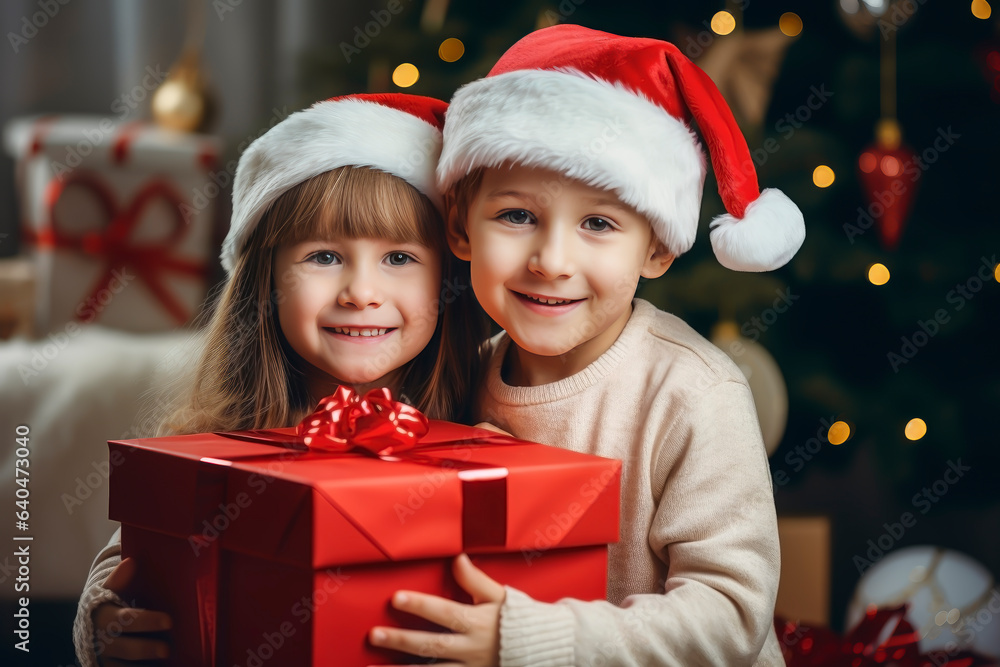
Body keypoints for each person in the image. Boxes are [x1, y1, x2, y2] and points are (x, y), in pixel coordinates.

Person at [366, 25, 806, 666]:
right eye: (516, 216)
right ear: (461, 225)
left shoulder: (692, 393)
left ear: (657, 247)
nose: (551, 261)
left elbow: (730, 615)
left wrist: (540, 640)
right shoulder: (460, 375)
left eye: (598, 223)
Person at [72, 92, 488, 666]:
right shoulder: (223, 437)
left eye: (399, 258)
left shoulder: (484, 418)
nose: (361, 292)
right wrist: (101, 618)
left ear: (449, 280)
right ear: (265, 282)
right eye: (322, 257)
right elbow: (134, 554)